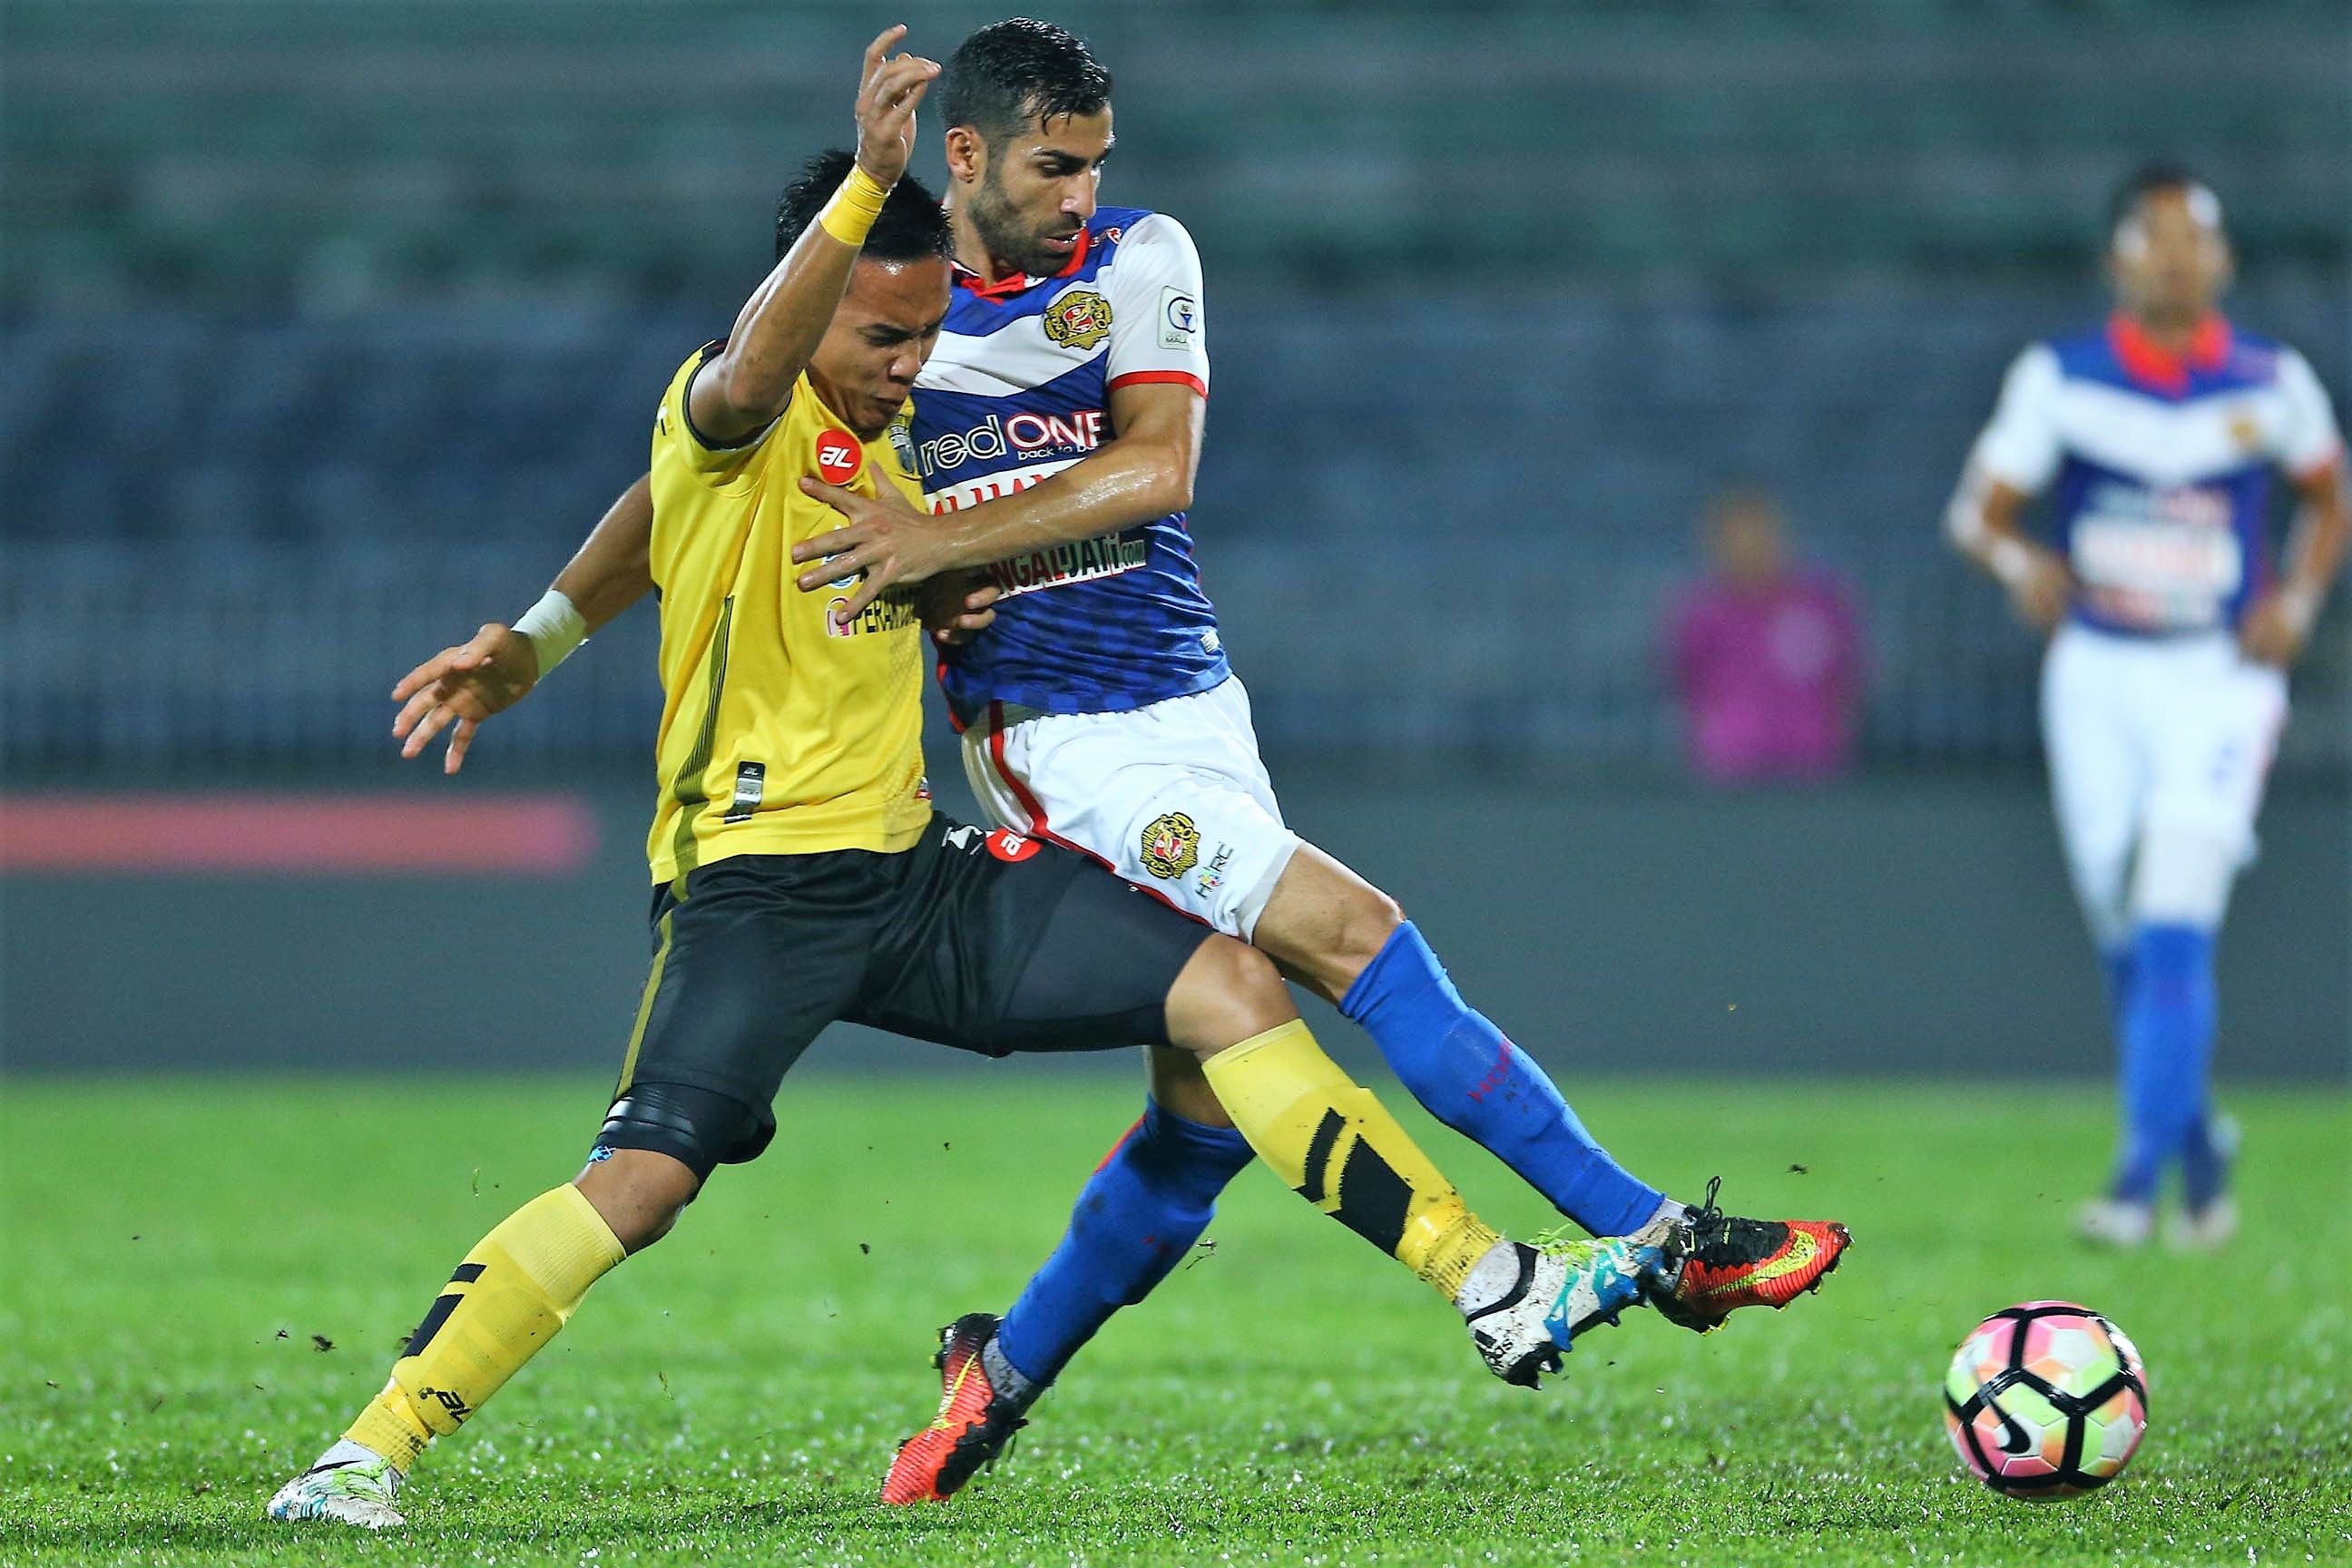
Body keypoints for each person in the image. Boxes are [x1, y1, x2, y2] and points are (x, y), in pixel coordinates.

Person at [390, 16, 1849, 1508]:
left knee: (1208, 1102)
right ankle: (1653, 1236)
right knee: (1352, 937)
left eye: (1095, 160)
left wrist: (941, 538)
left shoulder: (1140, 257)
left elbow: (1162, 469)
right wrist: (538, 634)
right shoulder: (877, 312)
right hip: (1052, 739)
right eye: (1053, 161)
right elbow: (689, 472)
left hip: (1190, 696)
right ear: (965, 154)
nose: (1084, 188)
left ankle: (993, 1374)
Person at [1945, 162, 2346, 1250]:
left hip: (2217, 678)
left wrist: (2301, 598)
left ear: (2222, 259)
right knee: (2126, 931)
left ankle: (2133, 1186)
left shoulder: (2269, 381)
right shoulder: (2063, 378)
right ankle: (2201, 1147)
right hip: (2098, 676)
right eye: (2155, 237)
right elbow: (1976, 514)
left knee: (2175, 927)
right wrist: (2019, 561)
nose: (2176, 256)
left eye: (2194, 238)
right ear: (2118, 257)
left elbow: (2329, 491)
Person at [1667, 487, 1866, 784]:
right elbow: (1686, 678)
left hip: (1810, 761)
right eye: (1736, 538)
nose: (1749, 547)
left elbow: (1847, 676)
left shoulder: (1820, 603)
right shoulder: (1701, 612)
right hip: (1730, 763)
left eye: (1758, 535)